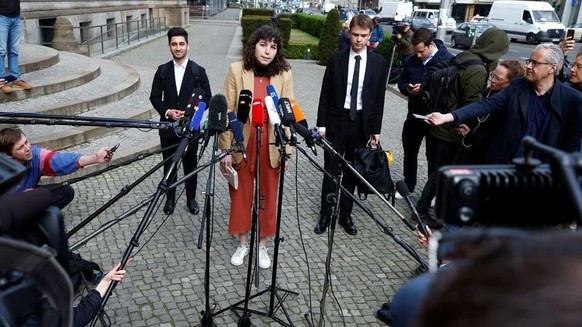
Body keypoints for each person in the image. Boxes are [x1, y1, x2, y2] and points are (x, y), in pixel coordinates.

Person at [413, 27, 509, 229]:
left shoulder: (467, 55)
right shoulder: (478, 69)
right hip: (454, 130)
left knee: (439, 170)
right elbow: (473, 105)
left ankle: (426, 208)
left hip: (443, 123)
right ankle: (422, 210)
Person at [426, 43, 582, 164]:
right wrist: (448, 117)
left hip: (541, 174)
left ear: (552, 68)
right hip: (506, 166)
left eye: (535, 63)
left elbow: (572, 143)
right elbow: (486, 105)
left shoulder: (572, 99)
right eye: (529, 61)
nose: (528, 66)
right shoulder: (516, 86)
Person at [218, 25, 293, 269]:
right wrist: (225, 150)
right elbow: (228, 110)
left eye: (273, 46)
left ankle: (261, 245)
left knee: (268, 195)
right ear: (254, 45)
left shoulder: (284, 74)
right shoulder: (236, 70)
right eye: (263, 44)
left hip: (271, 143)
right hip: (243, 141)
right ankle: (242, 243)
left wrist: (288, 150)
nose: (268, 51)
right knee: (240, 194)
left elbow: (288, 108)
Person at [314, 14, 388, 236]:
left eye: (363, 36)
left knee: (353, 172)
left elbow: (378, 99)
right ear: (349, 33)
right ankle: (325, 213)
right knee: (331, 169)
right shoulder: (337, 59)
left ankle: (346, 214)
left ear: (370, 35)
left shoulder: (378, 63)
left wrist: (376, 130)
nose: (359, 39)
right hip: (337, 121)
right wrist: (321, 125)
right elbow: (325, 94)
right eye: (355, 34)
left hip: (362, 125)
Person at [149, 26, 212, 216]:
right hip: (168, 128)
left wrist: (194, 118)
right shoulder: (162, 71)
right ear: (169, 46)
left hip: (191, 129)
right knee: (169, 165)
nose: (178, 48)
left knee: (190, 165)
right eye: (174, 44)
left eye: (181, 44)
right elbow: (154, 97)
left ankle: (191, 199)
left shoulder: (198, 71)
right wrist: (168, 111)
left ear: (188, 45)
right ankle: (169, 199)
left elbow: (208, 98)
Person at [396, 27, 453, 204]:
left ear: (431, 45)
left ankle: (432, 192)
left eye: (421, 51)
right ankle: (409, 184)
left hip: (435, 117)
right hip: (414, 115)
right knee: (410, 152)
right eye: (415, 51)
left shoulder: (448, 60)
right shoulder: (411, 60)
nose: (418, 55)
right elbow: (401, 81)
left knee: (433, 156)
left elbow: (451, 90)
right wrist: (407, 89)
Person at [0, 127, 113, 209]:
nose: (27, 148)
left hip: (28, 196)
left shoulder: (36, 155)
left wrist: (95, 158)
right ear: (8, 155)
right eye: (20, 147)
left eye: (26, 142)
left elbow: (60, 161)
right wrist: (19, 199)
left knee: (65, 192)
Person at [454, 59, 526, 164]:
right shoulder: (488, 91)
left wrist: (470, 135)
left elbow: (494, 138)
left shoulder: (509, 105)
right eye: (493, 75)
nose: (493, 80)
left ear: (511, 83)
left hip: (484, 158)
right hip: (467, 149)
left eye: (498, 79)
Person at [0, 0, 33, 95]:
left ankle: (15, 79)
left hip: (16, 16)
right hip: (2, 16)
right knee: (1, 51)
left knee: (14, 51)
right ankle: (1, 82)